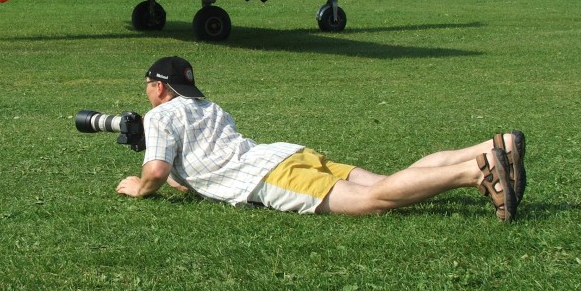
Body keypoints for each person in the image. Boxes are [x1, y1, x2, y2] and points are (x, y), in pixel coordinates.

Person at [116, 57, 527, 222]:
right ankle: (496, 145)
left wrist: (140, 188)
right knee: (389, 181)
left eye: (148, 85)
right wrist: (181, 182)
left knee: (375, 200)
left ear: (159, 87)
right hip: (289, 155)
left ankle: (477, 172)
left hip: (269, 176)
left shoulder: (160, 116)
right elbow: (199, 166)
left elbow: (156, 171)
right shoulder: (209, 107)